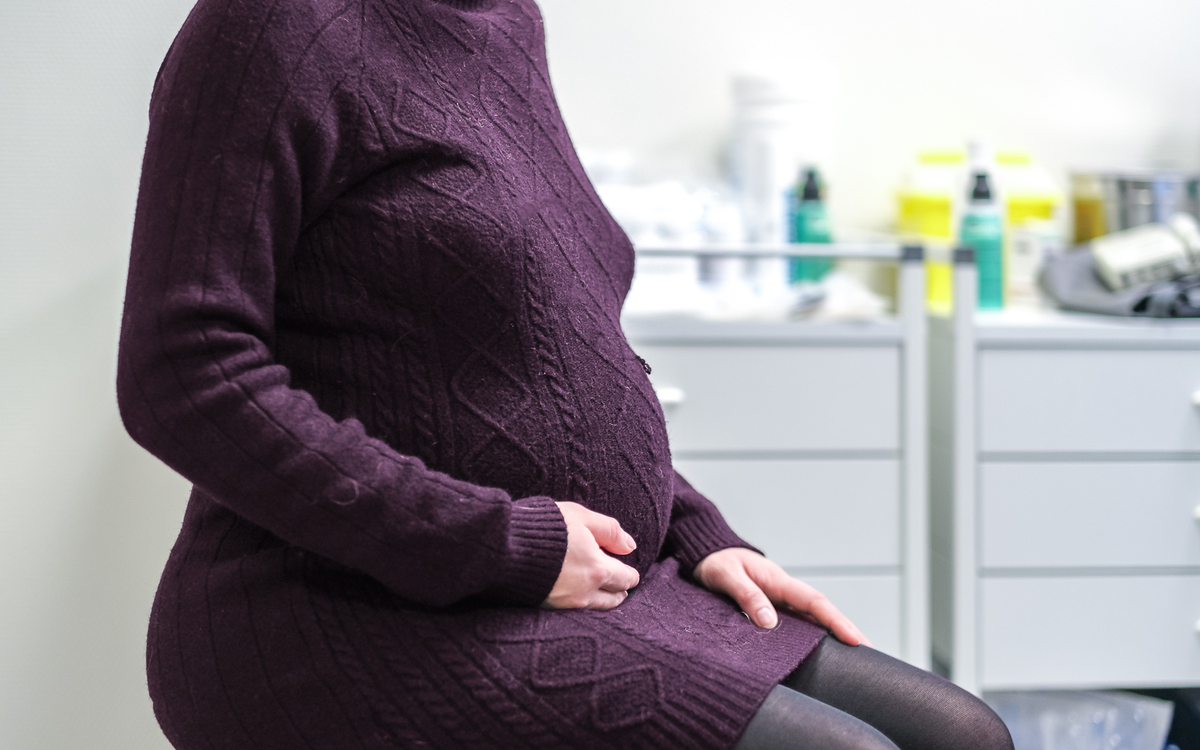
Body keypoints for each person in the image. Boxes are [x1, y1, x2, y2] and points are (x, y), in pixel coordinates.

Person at [117, 0, 1015, 748]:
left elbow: (553, 349)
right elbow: (185, 371)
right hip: (348, 608)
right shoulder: (269, 26)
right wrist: (499, 543)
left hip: (570, 582)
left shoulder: (502, 20)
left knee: (963, 736)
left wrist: (698, 532)